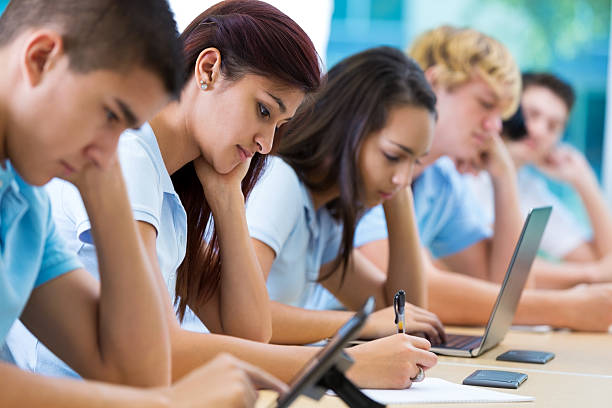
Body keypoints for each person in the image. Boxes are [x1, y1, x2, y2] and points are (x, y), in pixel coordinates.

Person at [17, 1, 434, 392]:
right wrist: (340, 365)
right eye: (264, 111)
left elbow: (247, 331)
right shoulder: (129, 151)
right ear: (209, 69)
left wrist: (228, 197)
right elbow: (161, 352)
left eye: (279, 124)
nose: (268, 144)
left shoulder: (169, 185)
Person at [0, 0, 288, 407]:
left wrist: (105, 186)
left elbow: (139, 373)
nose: (110, 152)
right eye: (110, 115)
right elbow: (149, 390)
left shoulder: (25, 204)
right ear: (42, 58)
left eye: (127, 129)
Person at [355, 26, 612, 332]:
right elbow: (411, 296)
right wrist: (564, 309)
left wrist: (503, 177)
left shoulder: (442, 181)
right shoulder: (374, 162)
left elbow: (510, 285)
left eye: (501, 113)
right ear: (433, 85)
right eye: (486, 104)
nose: (494, 126)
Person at [245, 46, 444, 367]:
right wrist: (357, 323)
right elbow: (239, 315)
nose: (402, 177)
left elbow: (403, 319)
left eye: (414, 162)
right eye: (393, 156)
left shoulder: (321, 215)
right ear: (346, 128)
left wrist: (399, 198)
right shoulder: (280, 182)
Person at [467, 72, 612, 289]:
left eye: (553, 126)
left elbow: (603, 262)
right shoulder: (463, 171)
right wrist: (591, 275)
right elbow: (491, 264)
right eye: (531, 114)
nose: (538, 131)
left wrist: (584, 181)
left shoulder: (531, 191)